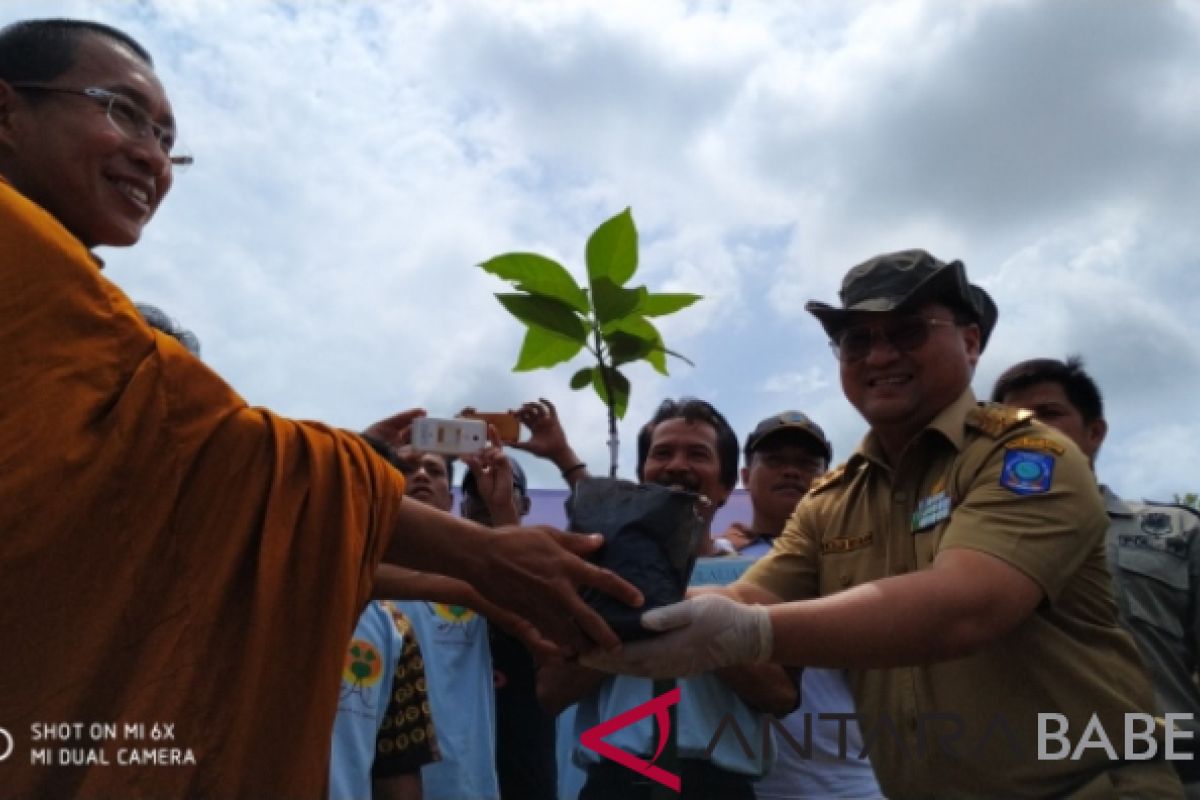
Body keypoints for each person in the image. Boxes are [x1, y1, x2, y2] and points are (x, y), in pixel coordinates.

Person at [0, 18, 638, 799]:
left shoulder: (70, 300)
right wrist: (479, 555)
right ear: (7, 112)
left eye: (168, 140)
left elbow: (196, 473)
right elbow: (207, 460)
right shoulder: (29, 271)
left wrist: (413, 513)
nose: (153, 157)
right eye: (123, 113)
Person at [585, 250, 1182, 797]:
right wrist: (616, 610)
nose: (879, 355)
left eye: (907, 331)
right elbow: (748, 595)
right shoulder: (833, 501)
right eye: (855, 340)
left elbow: (967, 604)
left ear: (971, 341)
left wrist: (748, 633)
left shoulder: (1027, 456)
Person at [540, 398, 797, 800]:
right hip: (614, 785)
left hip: (718, 788)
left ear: (727, 485)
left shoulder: (757, 579)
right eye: (662, 453)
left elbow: (781, 696)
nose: (677, 466)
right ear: (642, 476)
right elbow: (551, 693)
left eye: (698, 454)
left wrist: (691, 617)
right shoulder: (594, 574)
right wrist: (622, 618)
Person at [992, 355, 1200, 796]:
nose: (1027, 427)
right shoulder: (956, 550)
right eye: (1009, 420)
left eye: (1048, 413)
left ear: (1095, 432)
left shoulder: (1177, 533)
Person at [721, 412, 882, 800]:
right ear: (745, 477)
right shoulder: (716, 559)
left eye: (808, 464)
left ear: (829, 478)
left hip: (855, 778)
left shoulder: (862, 557)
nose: (792, 472)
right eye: (775, 461)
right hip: (749, 783)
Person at [460, 455, 559, 800]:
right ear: (461, 507)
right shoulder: (426, 585)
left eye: (506, 488)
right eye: (475, 492)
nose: (488, 495)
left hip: (524, 780)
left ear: (526, 504)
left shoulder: (548, 575)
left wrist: (503, 513)